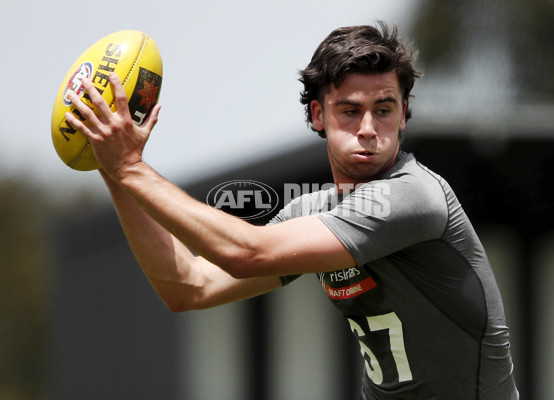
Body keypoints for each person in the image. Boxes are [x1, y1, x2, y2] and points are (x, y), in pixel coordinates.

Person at [66, 21, 519, 400]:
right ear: (318, 115)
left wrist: (130, 167)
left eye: (384, 109)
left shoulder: (411, 197)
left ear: (404, 114)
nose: (367, 129)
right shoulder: (314, 210)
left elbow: (249, 252)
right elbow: (187, 287)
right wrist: (114, 170)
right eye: (349, 110)